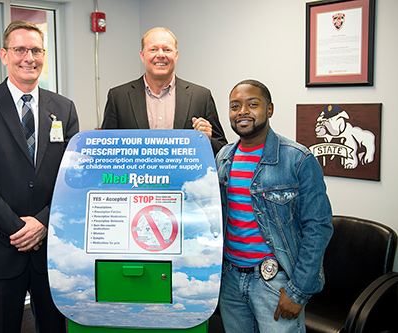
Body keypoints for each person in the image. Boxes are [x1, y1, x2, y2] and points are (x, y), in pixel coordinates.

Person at [0, 20, 79, 332]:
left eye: (36, 50)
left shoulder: (63, 108)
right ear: (4, 54)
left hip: (50, 248)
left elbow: (74, 176)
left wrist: (43, 223)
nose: (29, 57)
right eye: (20, 49)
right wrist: (19, 228)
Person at [216, 79, 333, 332]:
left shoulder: (297, 159)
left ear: (269, 109)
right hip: (230, 281)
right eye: (235, 106)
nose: (242, 112)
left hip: (275, 281)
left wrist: (298, 291)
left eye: (252, 104)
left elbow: (319, 227)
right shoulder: (224, 157)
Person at [101, 27, 227, 155]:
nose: (160, 55)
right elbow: (104, 149)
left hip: (184, 175)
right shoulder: (119, 97)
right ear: (142, 55)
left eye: (167, 49)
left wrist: (207, 139)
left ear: (176, 55)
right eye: (153, 49)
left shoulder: (201, 97)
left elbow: (223, 150)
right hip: (135, 175)